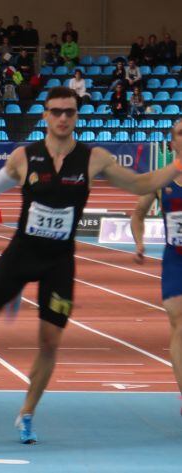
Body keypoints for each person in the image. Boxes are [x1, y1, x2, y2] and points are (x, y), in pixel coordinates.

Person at [0, 86, 182, 445]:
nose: (63, 118)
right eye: (56, 112)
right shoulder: (25, 157)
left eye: (69, 112)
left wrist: (178, 164)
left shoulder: (93, 158)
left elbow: (139, 184)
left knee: (49, 342)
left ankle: (26, 414)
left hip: (59, 260)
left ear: (77, 116)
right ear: (45, 116)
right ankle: (15, 291)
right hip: (22, 253)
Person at [131, 119, 182, 414]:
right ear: (171, 142)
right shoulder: (161, 180)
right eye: (180, 134)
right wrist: (139, 243)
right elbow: (137, 213)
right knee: (178, 323)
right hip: (175, 259)